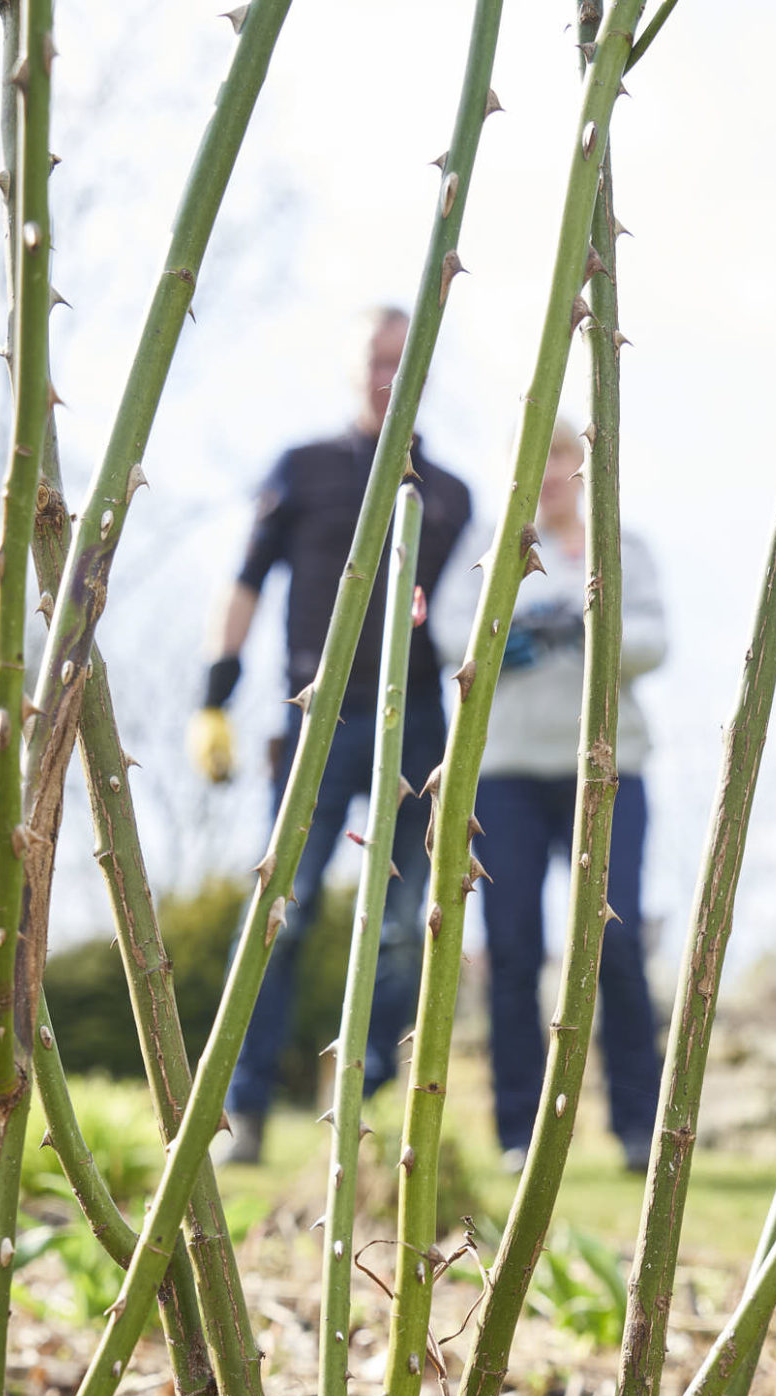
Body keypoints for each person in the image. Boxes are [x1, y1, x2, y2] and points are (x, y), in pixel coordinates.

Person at [189, 306, 472, 1165]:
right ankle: (241, 1112)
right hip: (314, 715)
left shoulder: (452, 495)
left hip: (419, 727)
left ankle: (372, 1111)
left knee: (401, 922)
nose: (388, 376)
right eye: (376, 361)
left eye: (403, 361)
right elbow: (243, 582)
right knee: (284, 905)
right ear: (355, 371)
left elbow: (462, 620)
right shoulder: (303, 469)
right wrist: (215, 695)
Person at [436, 420, 667, 1172]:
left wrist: (585, 623)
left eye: (562, 456)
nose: (549, 471)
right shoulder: (483, 550)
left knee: (617, 938)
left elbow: (652, 640)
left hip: (605, 768)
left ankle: (639, 1123)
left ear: (581, 467)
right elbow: (448, 635)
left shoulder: (621, 547)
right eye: (534, 458)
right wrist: (516, 628)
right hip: (503, 771)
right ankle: (518, 1133)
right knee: (510, 950)